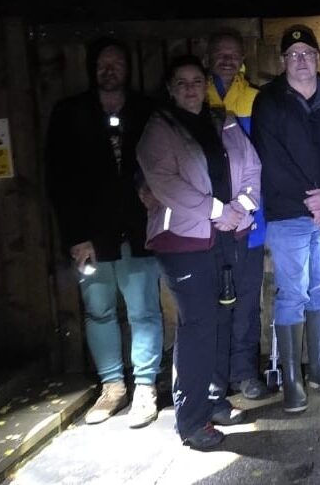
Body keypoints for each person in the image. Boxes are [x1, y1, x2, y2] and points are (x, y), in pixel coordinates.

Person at [137, 55, 261, 450]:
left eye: (196, 81)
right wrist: (218, 211)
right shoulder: (159, 129)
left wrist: (242, 207)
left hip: (226, 237)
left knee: (222, 319)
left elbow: (252, 167)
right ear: (170, 88)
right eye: (182, 82)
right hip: (184, 242)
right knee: (198, 326)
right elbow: (166, 183)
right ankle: (191, 421)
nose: (191, 89)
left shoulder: (222, 121)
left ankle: (214, 400)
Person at [45, 37, 163, 429]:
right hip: (90, 237)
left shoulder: (147, 110)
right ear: (92, 69)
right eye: (103, 64)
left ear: (128, 68)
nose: (109, 70)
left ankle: (145, 386)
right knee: (98, 311)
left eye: (116, 63)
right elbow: (58, 179)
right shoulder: (70, 113)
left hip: (139, 231)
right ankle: (112, 387)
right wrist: (74, 236)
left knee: (144, 310)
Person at [251, 26, 320, 412]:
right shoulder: (268, 101)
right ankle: (292, 378)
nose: (301, 60)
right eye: (293, 55)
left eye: (307, 53)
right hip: (288, 213)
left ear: (318, 56)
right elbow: (270, 159)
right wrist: (314, 202)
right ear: (283, 61)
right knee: (292, 294)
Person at [203, 30, 270, 400]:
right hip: (205, 223)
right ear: (208, 57)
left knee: (246, 299)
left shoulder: (257, 100)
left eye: (233, 54)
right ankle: (213, 376)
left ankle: (244, 372)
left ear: (243, 58)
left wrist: (246, 208)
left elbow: (262, 162)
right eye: (220, 53)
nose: (227, 60)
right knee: (209, 301)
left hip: (250, 218)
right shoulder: (195, 96)